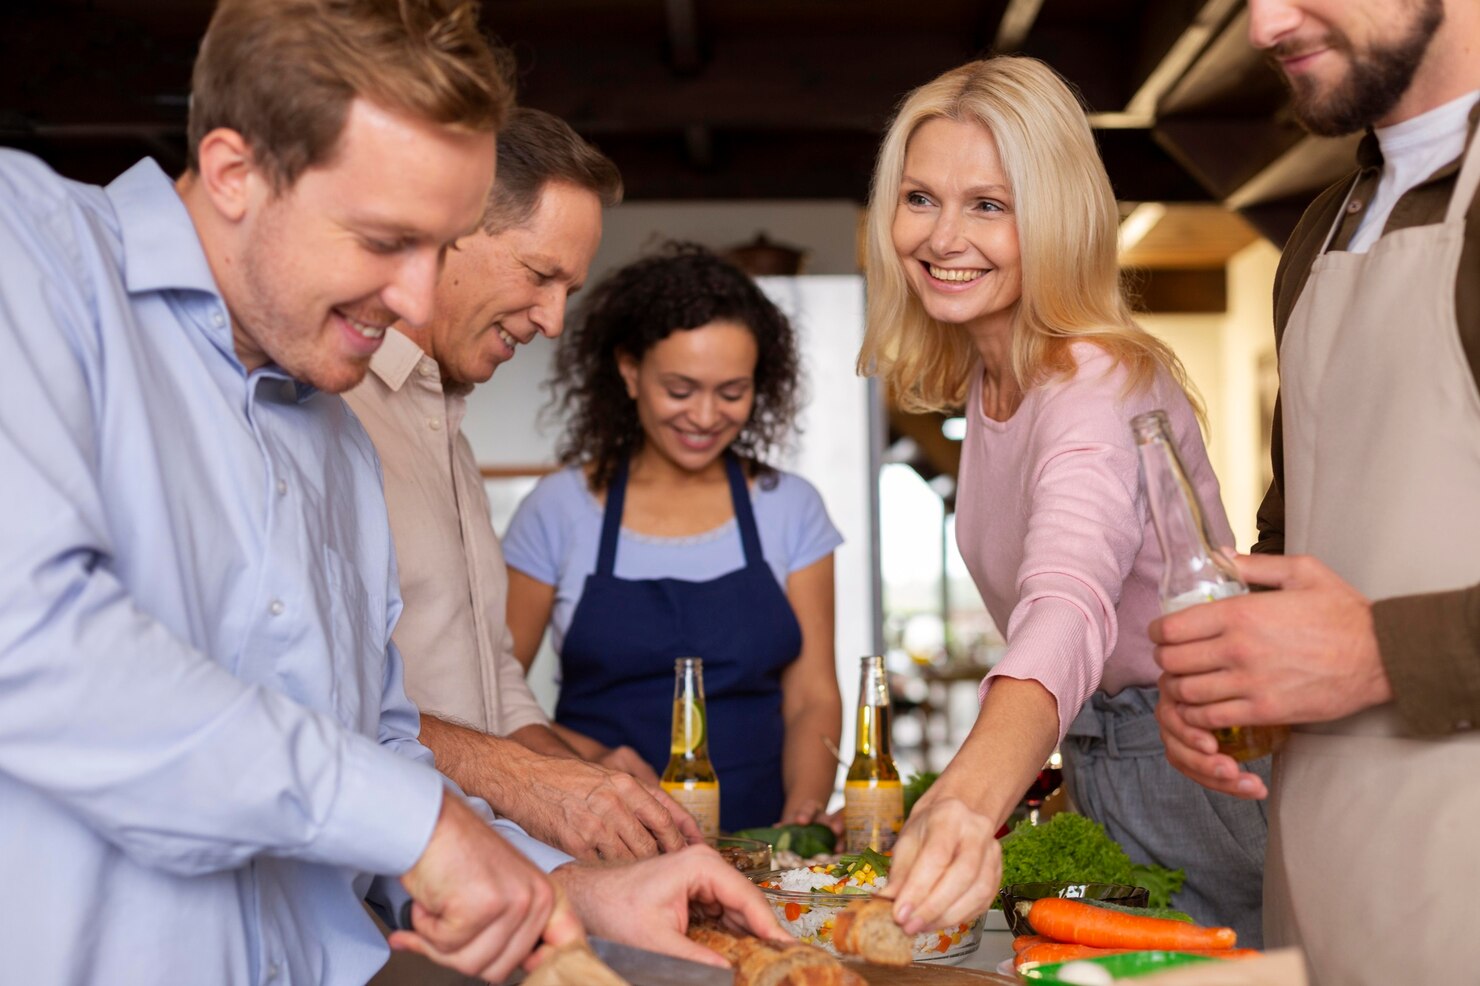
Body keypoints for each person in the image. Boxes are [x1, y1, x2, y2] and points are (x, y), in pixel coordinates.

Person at [0, 1, 782, 983]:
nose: (417, 299)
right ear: (237, 171)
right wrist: (423, 824)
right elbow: (34, 638)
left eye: (442, 246)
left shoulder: (331, 431)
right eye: (384, 240)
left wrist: (563, 886)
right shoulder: (32, 255)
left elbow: (373, 738)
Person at [855, 56, 1270, 945]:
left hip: (1191, 766)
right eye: (920, 198)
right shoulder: (993, 378)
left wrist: (967, 799)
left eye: (990, 205)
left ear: (1055, 219)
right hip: (1106, 759)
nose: (942, 236)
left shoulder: (1094, 381)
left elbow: (1070, 599)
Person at [1152, 0, 1480, 981]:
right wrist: (1231, 664)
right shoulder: (1316, 232)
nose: (1262, 28)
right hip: (1323, 888)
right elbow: (1296, 539)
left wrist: (1381, 647)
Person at [345, 106, 700, 864]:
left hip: (487, 870)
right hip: (389, 875)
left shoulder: (447, 430)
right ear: (446, 230)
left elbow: (492, 680)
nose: (554, 320)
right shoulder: (334, 415)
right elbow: (331, 702)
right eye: (541, 275)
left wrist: (583, 779)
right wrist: (535, 781)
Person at [502, 245, 845, 832]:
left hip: (760, 846)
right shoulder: (558, 508)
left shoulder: (791, 508)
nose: (706, 416)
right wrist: (585, 763)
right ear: (630, 371)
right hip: (599, 840)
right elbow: (493, 690)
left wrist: (802, 819)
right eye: (681, 390)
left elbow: (813, 694)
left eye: (732, 392)